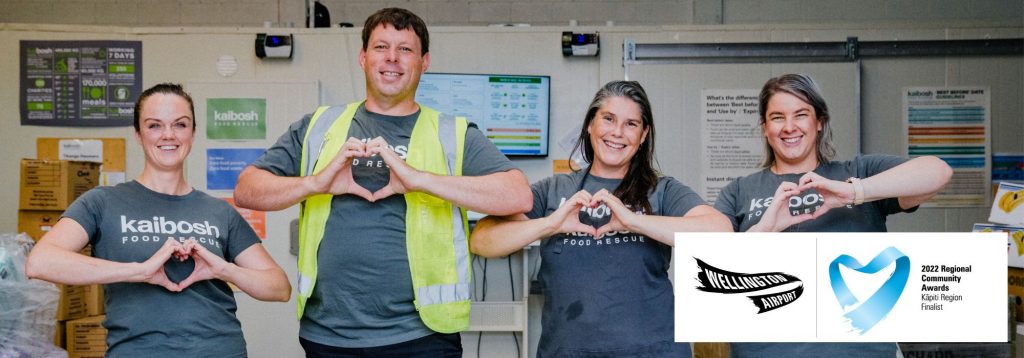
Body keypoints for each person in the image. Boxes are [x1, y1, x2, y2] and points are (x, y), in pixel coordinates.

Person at [232, 7, 532, 357]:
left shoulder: (453, 133)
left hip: (423, 337)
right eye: (381, 47)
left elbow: (517, 195)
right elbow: (247, 190)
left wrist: (417, 180)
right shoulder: (320, 126)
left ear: (424, 62)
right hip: (329, 335)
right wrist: (318, 183)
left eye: (405, 49)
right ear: (362, 57)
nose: (392, 58)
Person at [25, 83, 291, 357]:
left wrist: (222, 270)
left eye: (180, 124)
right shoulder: (102, 202)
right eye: (154, 125)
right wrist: (139, 271)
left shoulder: (219, 212)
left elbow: (279, 287)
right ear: (138, 134)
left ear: (193, 132)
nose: (168, 135)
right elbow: (40, 261)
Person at [471, 80, 732, 357]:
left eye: (631, 124)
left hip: (653, 351)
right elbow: (482, 240)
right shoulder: (554, 190)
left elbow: (720, 231)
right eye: (608, 119)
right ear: (590, 125)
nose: (617, 133)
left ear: (643, 135)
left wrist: (632, 221)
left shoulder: (662, 190)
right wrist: (551, 224)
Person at [713, 73, 953, 357]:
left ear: (819, 123)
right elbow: (714, 275)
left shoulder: (858, 172)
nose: (789, 127)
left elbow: (938, 172)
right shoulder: (739, 191)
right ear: (765, 128)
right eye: (777, 117)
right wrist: (764, 229)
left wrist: (854, 192)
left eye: (800, 115)